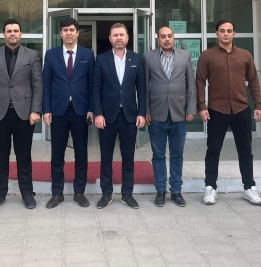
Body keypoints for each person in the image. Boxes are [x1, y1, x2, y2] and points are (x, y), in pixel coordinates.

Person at [196, 19, 261, 206]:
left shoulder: (245, 55)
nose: (225, 34)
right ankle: (210, 187)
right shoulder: (207, 56)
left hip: (241, 109)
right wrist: (202, 106)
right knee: (213, 150)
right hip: (217, 110)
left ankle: (249, 187)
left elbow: (254, 81)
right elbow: (200, 82)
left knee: (245, 150)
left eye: (229, 31)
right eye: (222, 31)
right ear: (216, 33)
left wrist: (258, 105)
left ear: (234, 33)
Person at [0, 19, 43, 210]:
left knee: (24, 156)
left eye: (16, 30)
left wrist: (35, 110)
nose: (12, 34)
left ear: (21, 34)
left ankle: (27, 193)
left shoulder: (32, 55)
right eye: (9, 31)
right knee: (1, 156)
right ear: (4, 34)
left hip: (24, 113)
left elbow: (37, 85)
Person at [42, 17, 95, 208]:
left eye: (72, 30)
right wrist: (46, 109)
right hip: (58, 111)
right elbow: (46, 84)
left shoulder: (88, 54)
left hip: (81, 111)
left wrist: (91, 109)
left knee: (81, 154)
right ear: (60, 33)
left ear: (77, 32)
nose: (69, 33)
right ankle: (57, 193)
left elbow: (92, 84)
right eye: (65, 30)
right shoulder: (51, 54)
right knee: (57, 154)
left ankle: (79, 192)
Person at [92, 23, 146, 209]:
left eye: (122, 35)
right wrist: (98, 113)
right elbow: (96, 89)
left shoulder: (136, 59)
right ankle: (106, 193)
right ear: (110, 38)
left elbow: (142, 89)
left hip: (129, 116)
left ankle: (127, 194)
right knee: (106, 157)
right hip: (107, 117)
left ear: (127, 37)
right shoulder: (101, 59)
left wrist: (142, 113)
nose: (119, 38)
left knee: (128, 158)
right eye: (115, 35)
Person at [144, 26, 196, 207]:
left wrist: (191, 109)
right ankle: (160, 190)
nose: (166, 39)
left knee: (177, 155)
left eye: (169, 36)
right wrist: (146, 110)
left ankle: (176, 191)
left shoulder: (184, 56)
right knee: (158, 155)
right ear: (158, 39)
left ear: (173, 38)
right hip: (156, 114)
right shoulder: (148, 57)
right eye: (163, 36)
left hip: (179, 113)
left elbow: (191, 85)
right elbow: (144, 86)